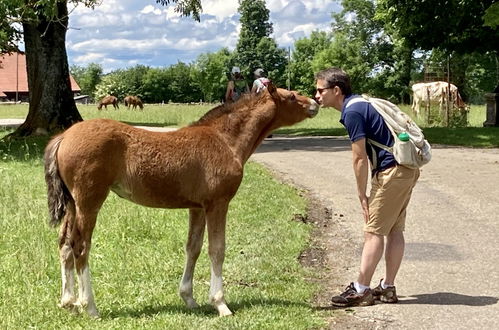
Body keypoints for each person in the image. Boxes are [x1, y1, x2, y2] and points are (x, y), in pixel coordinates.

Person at [314, 67, 420, 307]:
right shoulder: (363, 103)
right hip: (405, 168)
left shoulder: (352, 112)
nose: (317, 95)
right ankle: (387, 287)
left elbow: (359, 157)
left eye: (321, 90)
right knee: (394, 229)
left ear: (336, 90)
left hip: (391, 172)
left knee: (373, 231)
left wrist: (361, 193)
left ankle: (361, 290)